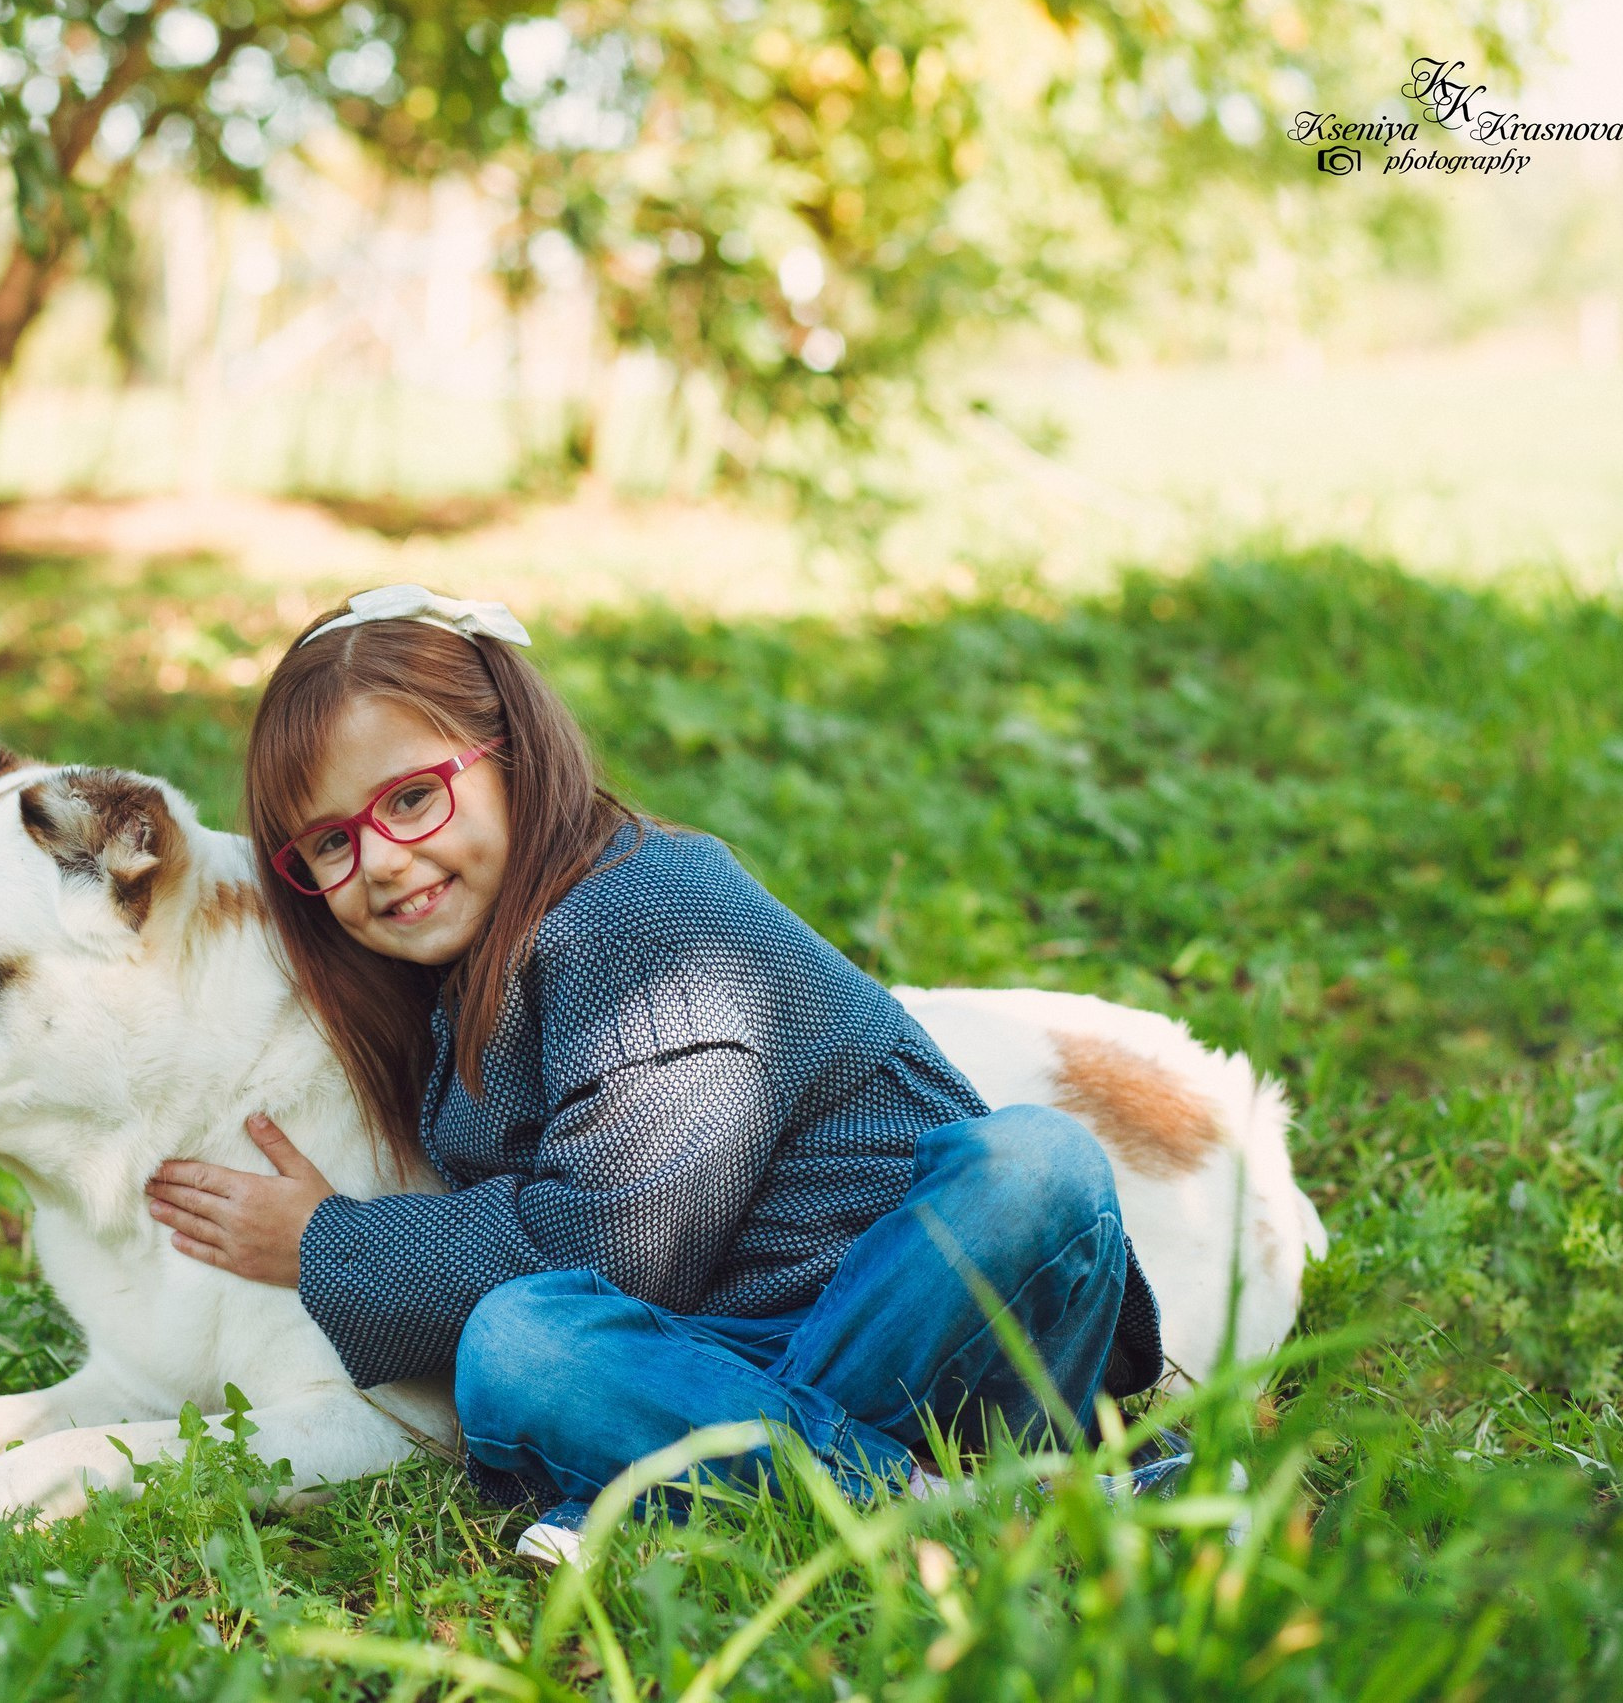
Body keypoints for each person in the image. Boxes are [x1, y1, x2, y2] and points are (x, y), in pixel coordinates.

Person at [143, 585, 1162, 1560]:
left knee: (1034, 1164)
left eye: (412, 797)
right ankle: (943, 1509)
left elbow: (614, 1248)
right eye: (330, 843)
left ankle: (716, 1487)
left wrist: (327, 1243)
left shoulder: (642, 925)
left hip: (924, 1319)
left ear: (514, 753)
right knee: (524, 1345)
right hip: (715, 1359)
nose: (381, 859)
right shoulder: (470, 969)